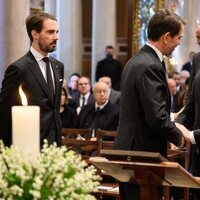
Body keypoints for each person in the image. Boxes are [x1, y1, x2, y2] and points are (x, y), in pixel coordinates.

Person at [113, 9, 187, 200]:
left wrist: (170, 118)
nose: (179, 43)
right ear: (166, 37)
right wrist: (179, 137)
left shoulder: (136, 60)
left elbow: (142, 108)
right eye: (178, 38)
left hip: (131, 151)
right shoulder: (150, 65)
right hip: (141, 154)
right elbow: (155, 116)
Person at [0, 13, 64, 148]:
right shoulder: (18, 69)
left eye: (57, 32)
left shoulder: (58, 66)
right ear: (35, 34)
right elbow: (4, 112)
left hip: (55, 146)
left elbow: (54, 109)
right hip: (30, 144)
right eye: (50, 32)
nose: (56, 37)